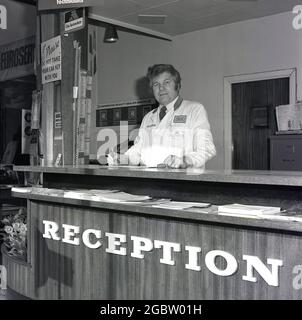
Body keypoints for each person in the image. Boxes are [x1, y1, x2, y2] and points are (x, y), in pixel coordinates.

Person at [107, 64, 216, 168]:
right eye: (156, 84)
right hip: (150, 181)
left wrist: (185, 161)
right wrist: (122, 159)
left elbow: (207, 149)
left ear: (177, 85)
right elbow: (138, 152)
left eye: (167, 82)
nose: (161, 88)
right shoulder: (148, 117)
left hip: (184, 182)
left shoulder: (194, 110)